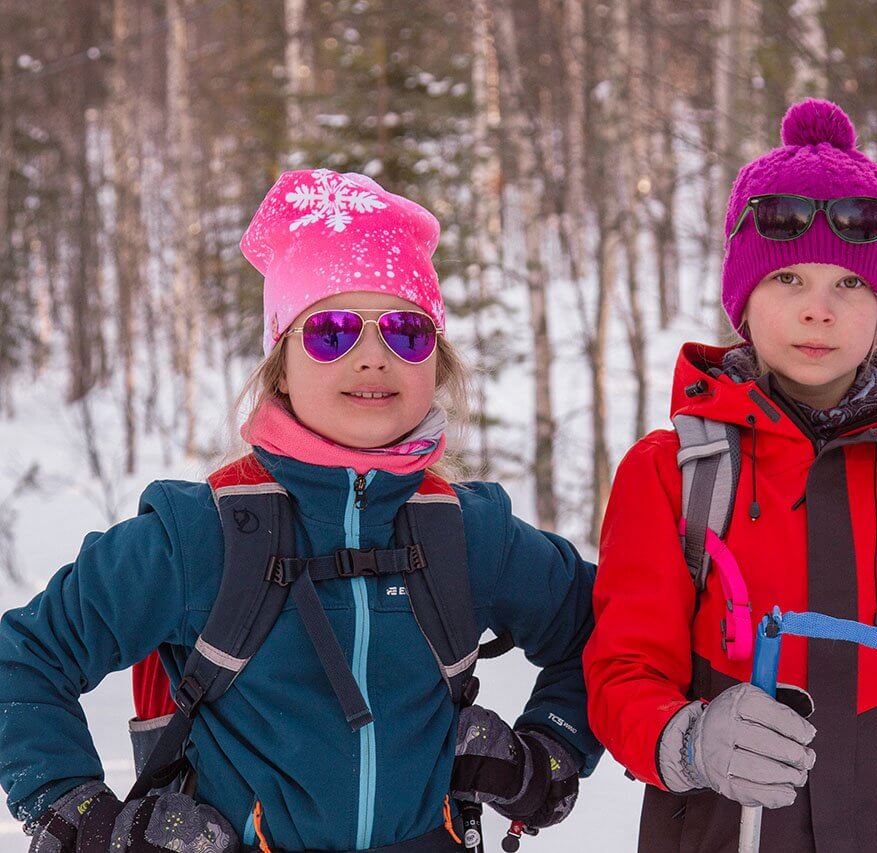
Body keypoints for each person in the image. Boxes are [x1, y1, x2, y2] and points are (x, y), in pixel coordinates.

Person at [0, 169, 600, 853]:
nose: (373, 358)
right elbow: (22, 659)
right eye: (333, 330)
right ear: (281, 362)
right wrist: (79, 816)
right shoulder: (199, 535)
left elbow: (601, 630)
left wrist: (551, 752)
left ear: (437, 360)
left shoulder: (467, 534)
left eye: (406, 331)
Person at [583, 99, 877, 852]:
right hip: (727, 832)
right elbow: (623, 671)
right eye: (788, 279)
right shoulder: (674, 472)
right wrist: (690, 739)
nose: (819, 310)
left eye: (850, 284)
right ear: (743, 298)